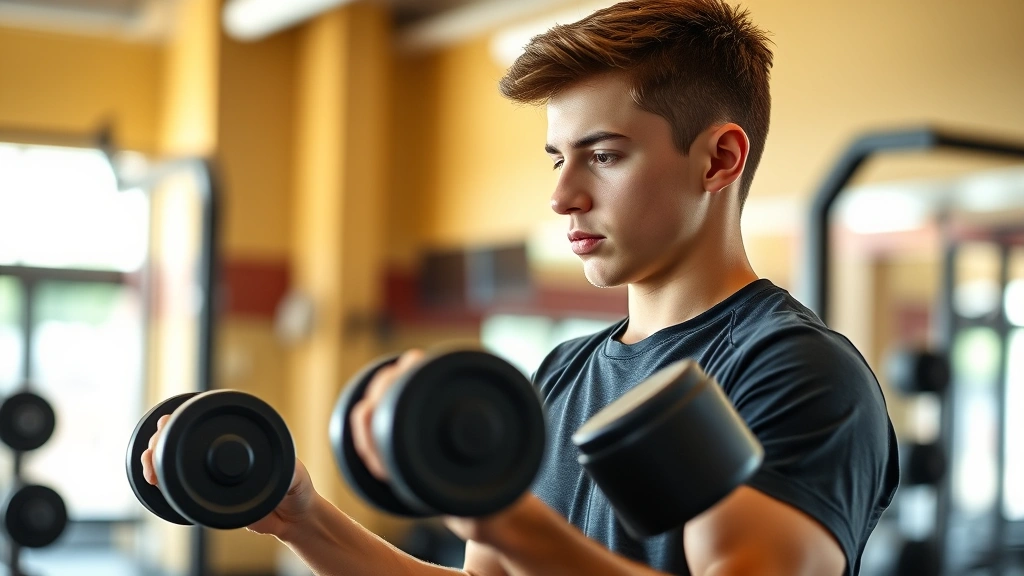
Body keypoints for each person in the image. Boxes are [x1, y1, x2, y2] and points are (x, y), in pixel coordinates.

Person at [143, 1, 899, 574]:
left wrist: (504, 519)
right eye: (557, 158)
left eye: (604, 155)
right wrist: (304, 519)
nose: (562, 195)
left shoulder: (795, 372)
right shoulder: (564, 371)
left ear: (719, 160)